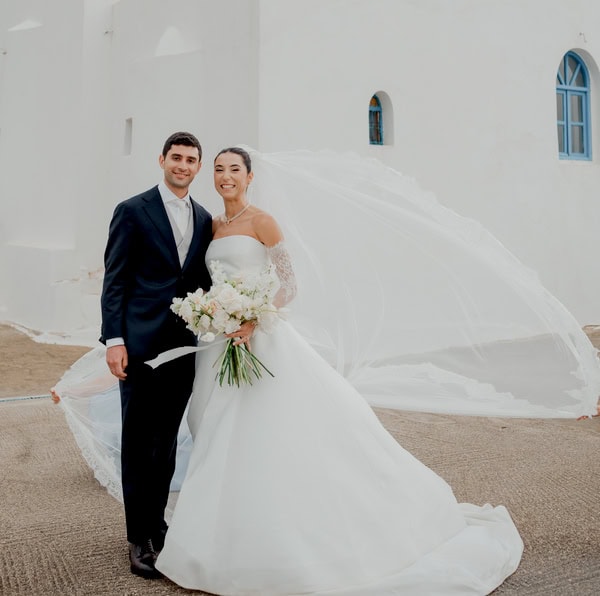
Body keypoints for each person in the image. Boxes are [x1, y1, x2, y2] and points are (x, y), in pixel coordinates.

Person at [154, 146, 524, 595]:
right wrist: (217, 314)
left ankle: (280, 534)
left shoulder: (263, 221)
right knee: (214, 430)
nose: (225, 176)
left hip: (260, 338)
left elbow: (289, 284)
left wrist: (252, 318)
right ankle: (220, 535)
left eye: (235, 169)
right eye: (218, 169)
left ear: (249, 177)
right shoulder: (213, 226)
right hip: (218, 343)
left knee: (263, 431)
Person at [99, 131, 212, 579]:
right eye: (176, 157)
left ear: (197, 167)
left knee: (165, 444)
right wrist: (114, 340)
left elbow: (200, 281)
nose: (183, 165)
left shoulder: (203, 218)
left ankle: (157, 525)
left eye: (191, 160)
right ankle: (137, 538)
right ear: (162, 160)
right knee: (138, 442)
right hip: (139, 346)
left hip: (183, 348)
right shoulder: (132, 210)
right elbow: (115, 280)